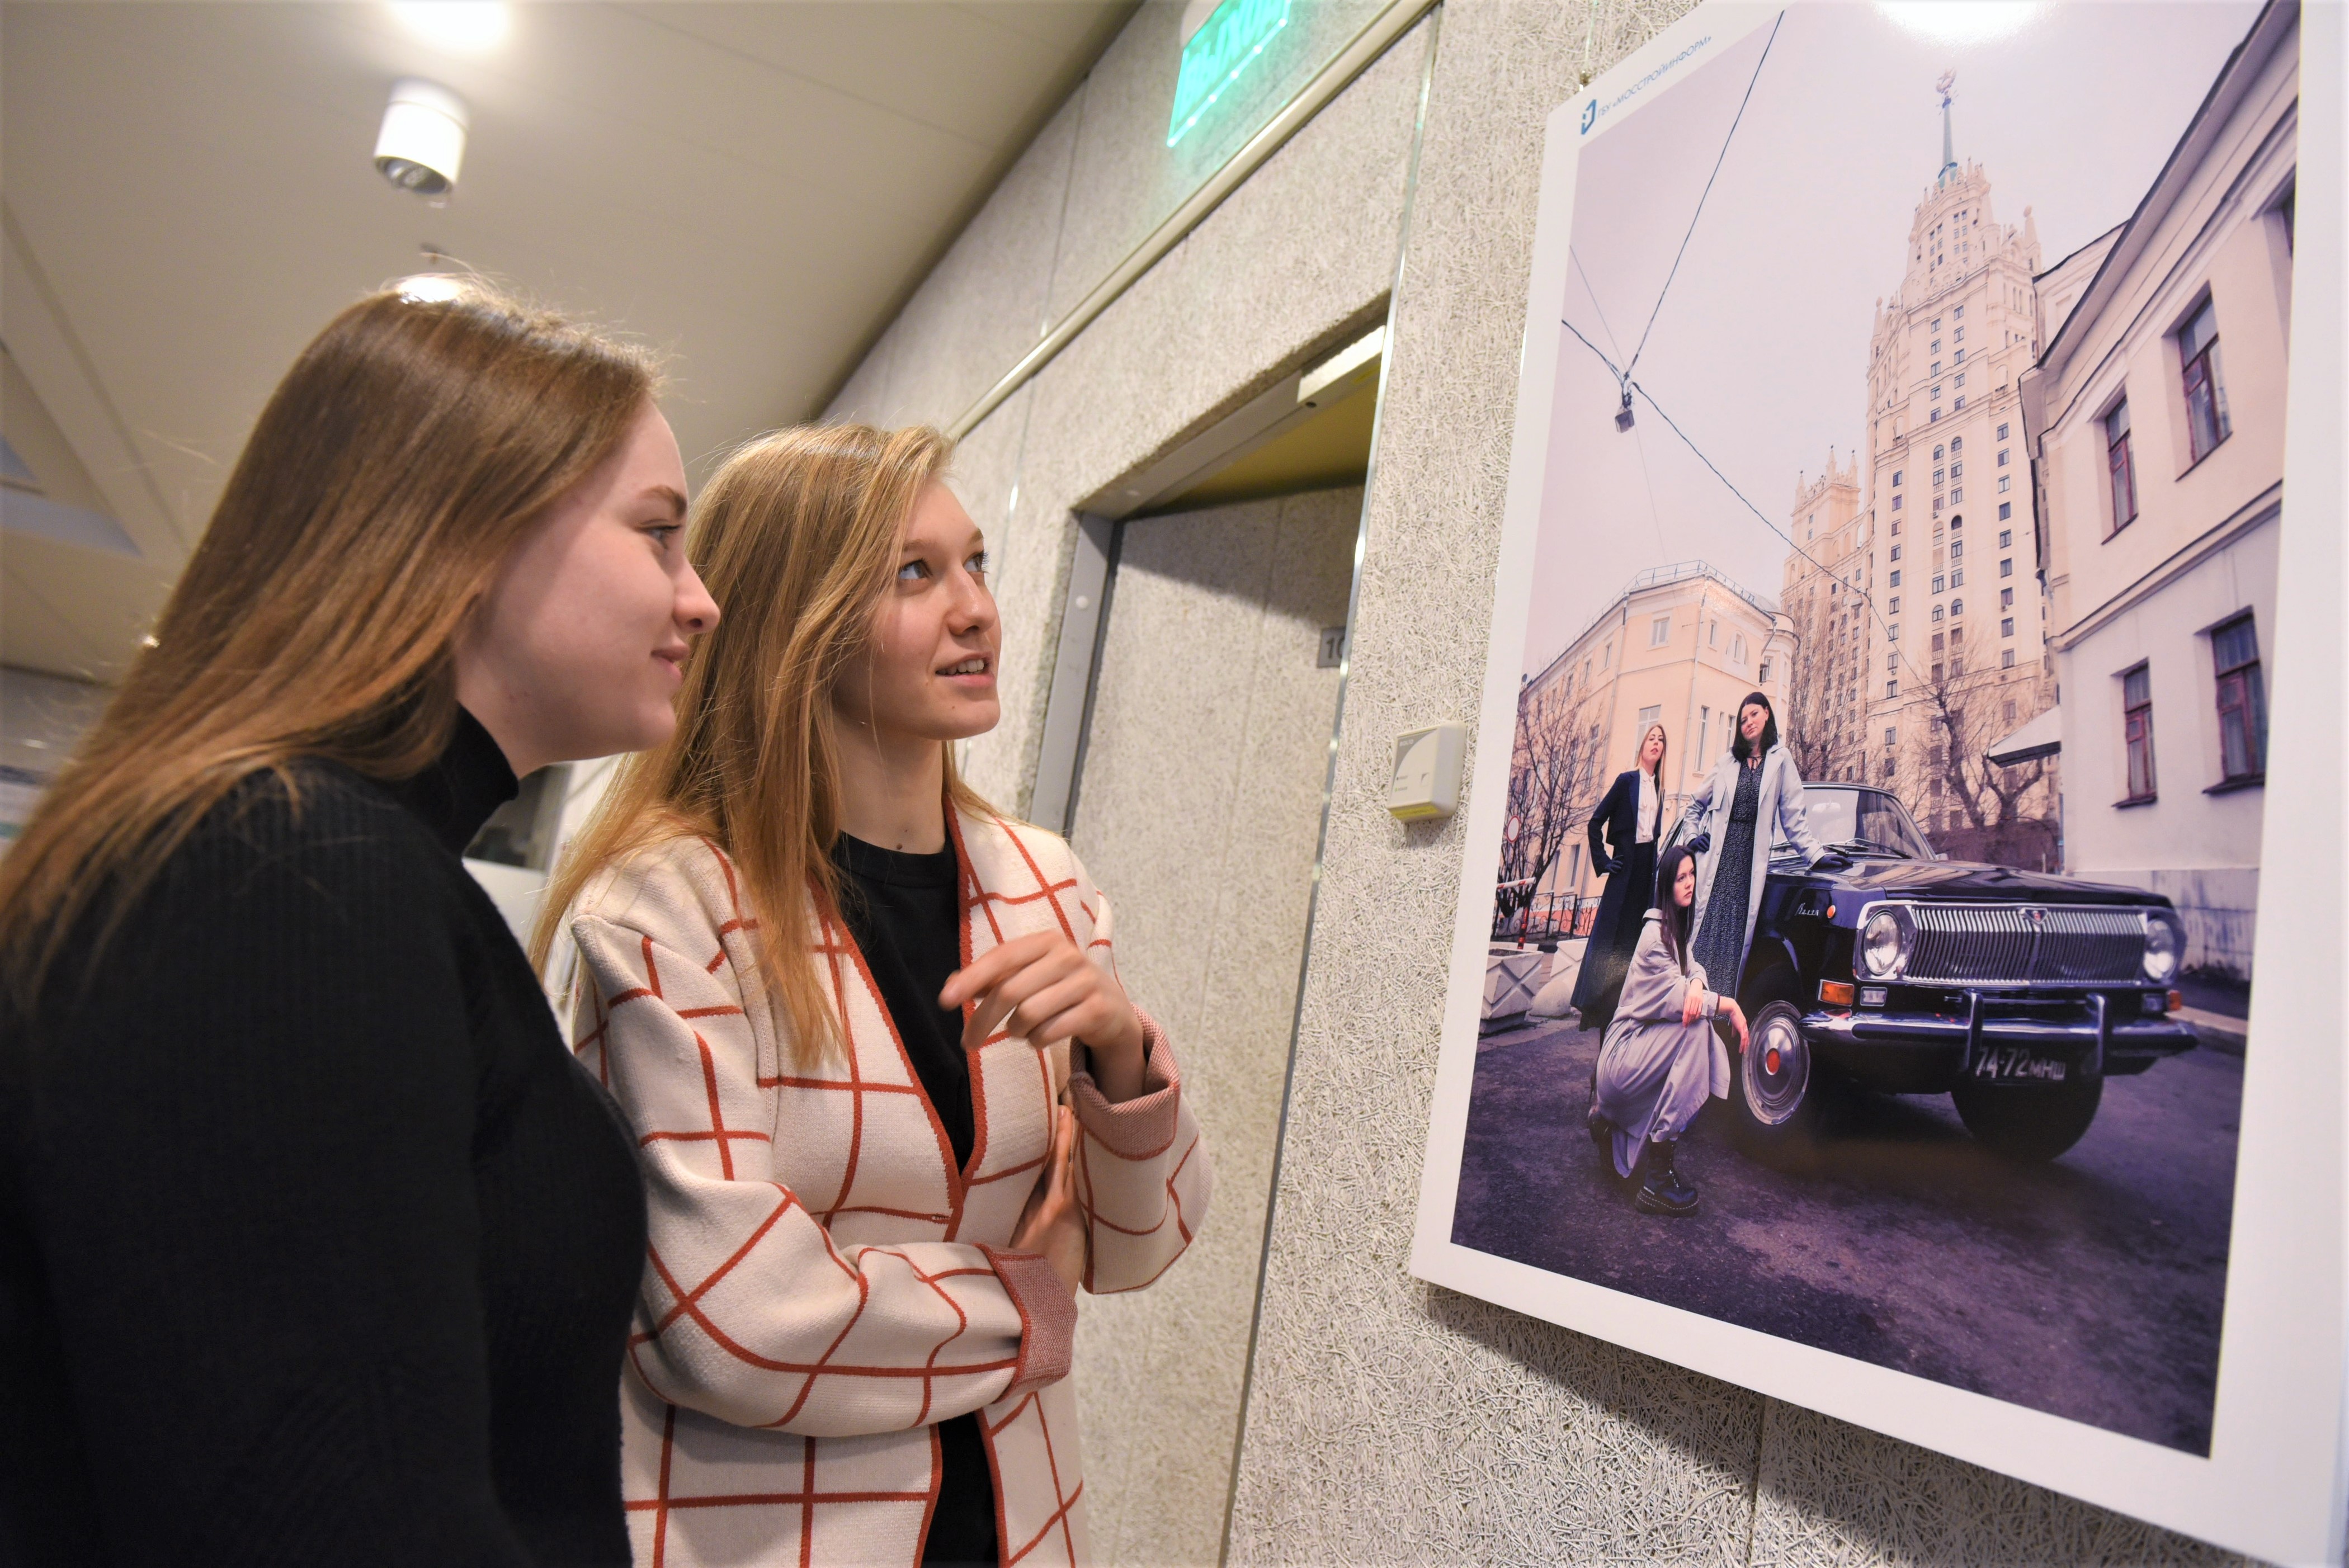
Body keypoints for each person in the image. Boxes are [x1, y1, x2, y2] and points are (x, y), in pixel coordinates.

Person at [0, 285, 720, 1564]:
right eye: (659, 535)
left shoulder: (334, 865)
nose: (698, 599)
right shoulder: (285, 873)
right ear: (459, 532)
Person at [537, 423, 1211, 1568]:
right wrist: (1027, 1297)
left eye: (978, 562)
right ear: (795, 620)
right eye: (915, 572)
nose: (976, 610)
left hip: (1020, 1525)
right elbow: (730, 1324)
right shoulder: (668, 908)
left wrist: (1119, 1056)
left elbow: (1138, 1247)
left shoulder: (1045, 883)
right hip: (765, 1537)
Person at [1588, 845, 1748, 1215]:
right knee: (1696, 1033)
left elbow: (1695, 971)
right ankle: (1657, 1179)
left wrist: (1696, 984)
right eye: (1681, 878)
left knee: (1695, 1031)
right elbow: (1685, 1002)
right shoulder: (1654, 939)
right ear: (1667, 885)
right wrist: (1733, 1008)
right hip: (1621, 1058)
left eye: (1692, 874)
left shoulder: (1673, 932)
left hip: (1635, 1055)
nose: (1689, 883)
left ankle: (1608, 1128)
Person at [1680, 691, 1843, 1005]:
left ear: (1767, 714)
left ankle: (1720, 1022)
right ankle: (1689, 1013)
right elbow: (1694, 806)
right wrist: (1691, 838)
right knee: (1701, 941)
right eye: (1742, 720)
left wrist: (1816, 856)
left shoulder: (1781, 761)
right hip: (1716, 868)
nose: (1748, 723)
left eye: (1753, 714)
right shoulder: (1727, 763)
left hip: (1747, 872)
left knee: (1732, 948)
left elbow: (1795, 820)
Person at [1568, 722, 1669, 1036]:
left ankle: (1628, 1016)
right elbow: (1596, 821)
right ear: (1642, 746)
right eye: (1651, 738)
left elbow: (1653, 839)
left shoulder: (1660, 790)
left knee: (1636, 945)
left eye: (1661, 740)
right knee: (1612, 944)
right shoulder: (1626, 782)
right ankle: (1602, 1015)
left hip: (1645, 876)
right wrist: (1604, 862)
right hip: (1624, 871)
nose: (1656, 743)